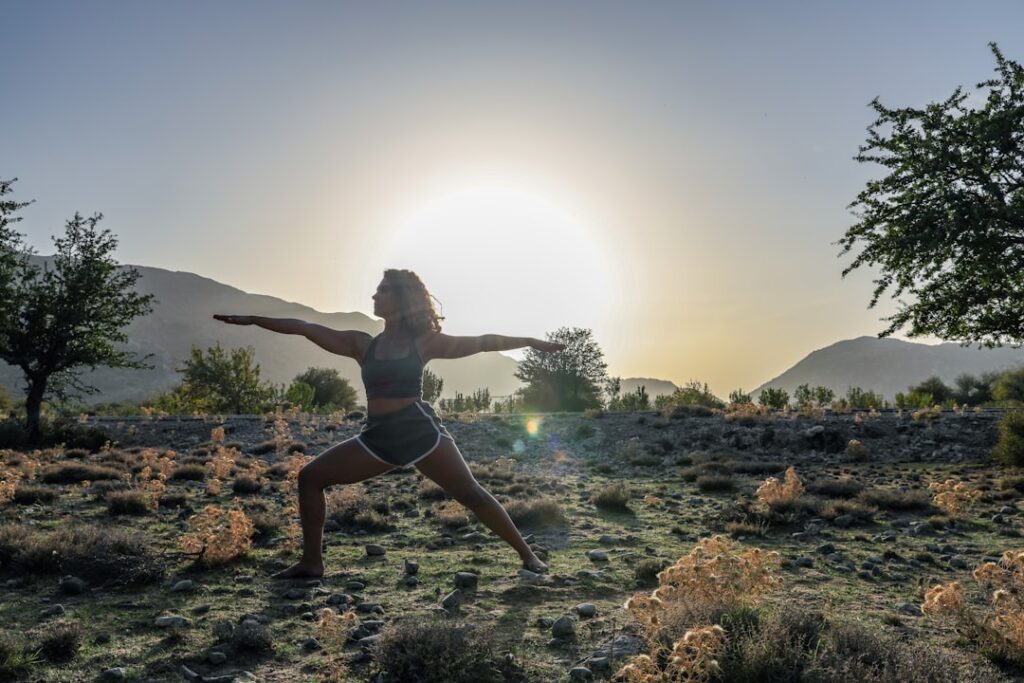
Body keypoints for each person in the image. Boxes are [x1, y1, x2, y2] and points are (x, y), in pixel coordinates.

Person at [213, 268, 565, 579]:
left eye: (382, 290)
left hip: (420, 432)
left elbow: (485, 343)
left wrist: (530, 342)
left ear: (401, 297)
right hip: (377, 438)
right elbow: (305, 328)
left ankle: (528, 555)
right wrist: (254, 319)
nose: (374, 295)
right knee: (310, 477)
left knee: (471, 494)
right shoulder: (362, 344)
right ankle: (311, 563)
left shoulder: (424, 342)